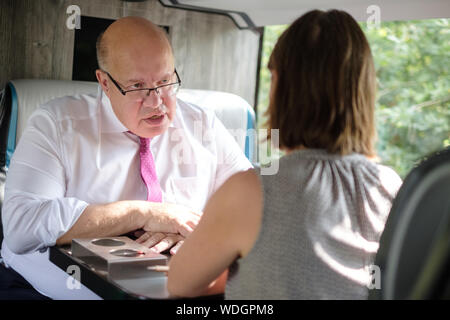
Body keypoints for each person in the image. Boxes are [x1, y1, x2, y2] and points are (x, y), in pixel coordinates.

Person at [0, 16, 252, 299]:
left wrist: (194, 229)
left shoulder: (203, 124)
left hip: (165, 285)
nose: (157, 102)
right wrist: (143, 214)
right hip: (42, 290)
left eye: (165, 81)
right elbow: (21, 226)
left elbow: (254, 206)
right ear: (104, 83)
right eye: (137, 87)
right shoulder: (55, 124)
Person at [167, 9, 403, 299]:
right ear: (363, 92)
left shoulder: (251, 190)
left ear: (281, 85)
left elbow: (180, 284)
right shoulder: (391, 186)